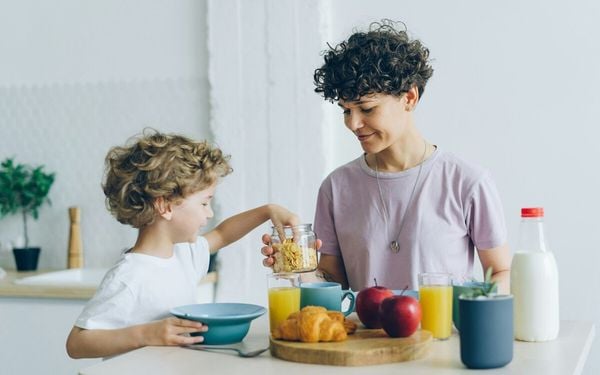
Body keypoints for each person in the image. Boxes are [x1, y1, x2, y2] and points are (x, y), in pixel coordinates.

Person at [262, 20, 511, 294]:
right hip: (364, 336)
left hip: (442, 335)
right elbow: (334, 281)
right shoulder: (336, 188)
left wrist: (475, 311)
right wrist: (299, 268)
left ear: (409, 98)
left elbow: (501, 271)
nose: (353, 123)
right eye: (346, 111)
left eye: (366, 109)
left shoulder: (467, 182)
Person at [66, 130, 299, 359]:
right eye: (204, 203)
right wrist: (145, 334)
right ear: (165, 206)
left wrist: (268, 211)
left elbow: (222, 234)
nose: (209, 214)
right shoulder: (129, 276)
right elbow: (77, 344)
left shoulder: (184, 254)